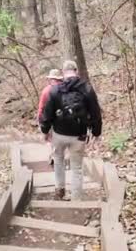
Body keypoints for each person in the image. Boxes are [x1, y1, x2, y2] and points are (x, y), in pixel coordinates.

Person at [39, 60, 102, 200]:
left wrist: (45, 131)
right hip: (79, 135)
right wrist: (96, 133)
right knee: (77, 168)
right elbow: (96, 112)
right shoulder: (87, 89)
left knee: (59, 161)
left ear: (63, 72)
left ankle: (59, 190)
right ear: (76, 71)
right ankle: (76, 198)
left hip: (58, 134)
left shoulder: (55, 90)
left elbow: (47, 113)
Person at [37, 69, 64, 165]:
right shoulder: (66, 88)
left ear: (51, 79)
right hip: (63, 118)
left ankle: (54, 156)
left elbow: (41, 106)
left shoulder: (47, 90)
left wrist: (39, 119)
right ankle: (59, 156)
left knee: (50, 139)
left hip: (50, 119)